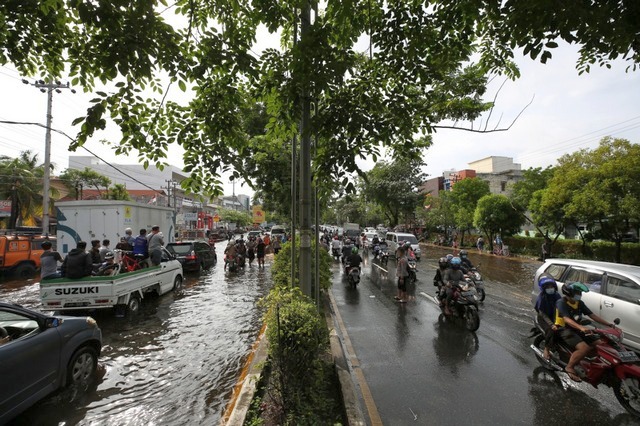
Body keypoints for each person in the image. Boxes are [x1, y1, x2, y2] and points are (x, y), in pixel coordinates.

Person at [556, 282, 617, 382]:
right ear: (569, 293)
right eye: (577, 292)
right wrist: (581, 327)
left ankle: (590, 363)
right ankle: (569, 367)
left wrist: (609, 324)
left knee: (601, 343)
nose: (579, 295)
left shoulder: (579, 303)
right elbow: (566, 319)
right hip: (564, 329)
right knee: (584, 348)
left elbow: (592, 315)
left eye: (580, 292)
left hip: (577, 328)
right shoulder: (561, 302)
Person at [534, 274, 561, 360]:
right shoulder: (542, 298)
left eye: (551, 286)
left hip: (554, 316)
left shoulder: (557, 295)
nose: (550, 288)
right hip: (543, 318)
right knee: (551, 330)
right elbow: (542, 314)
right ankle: (546, 349)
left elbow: (560, 307)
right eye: (548, 287)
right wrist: (551, 324)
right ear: (544, 288)